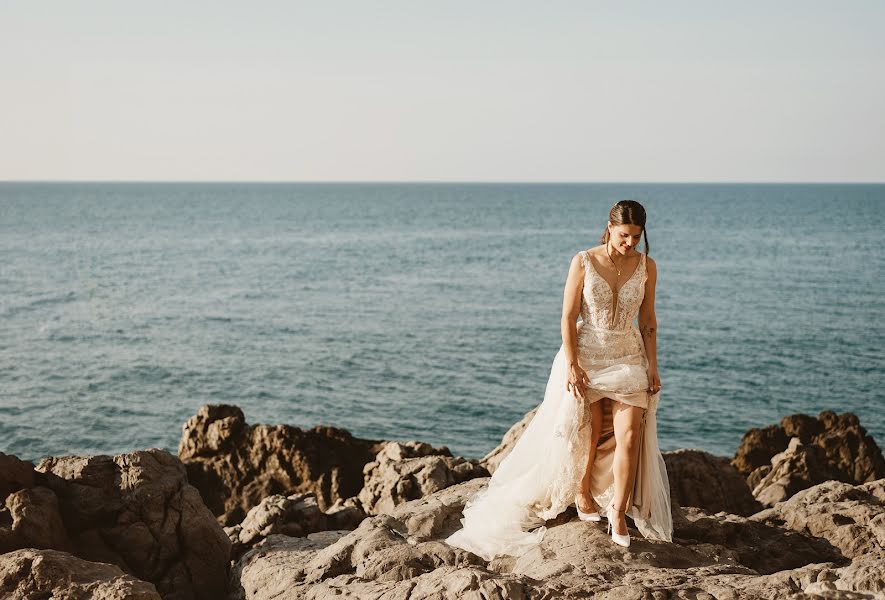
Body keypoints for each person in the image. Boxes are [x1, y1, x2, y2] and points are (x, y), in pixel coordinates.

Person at [445, 200, 672, 560]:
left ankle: (618, 511)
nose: (630, 243)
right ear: (610, 228)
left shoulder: (647, 267)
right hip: (588, 355)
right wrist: (573, 364)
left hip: (628, 357)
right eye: (625, 236)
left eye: (637, 237)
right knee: (589, 433)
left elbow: (647, 320)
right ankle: (582, 494)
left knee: (630, 435)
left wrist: (654, 366)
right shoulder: (583, 261)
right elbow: (567, 316)